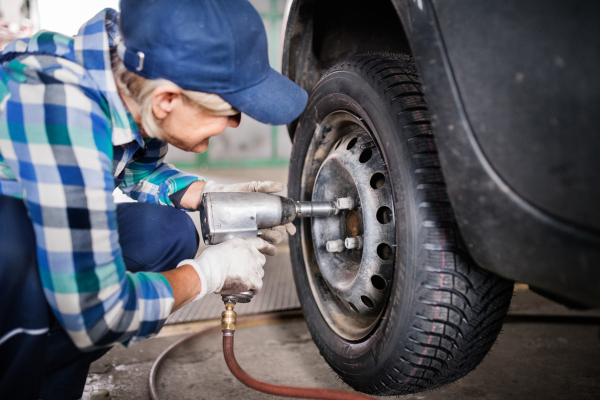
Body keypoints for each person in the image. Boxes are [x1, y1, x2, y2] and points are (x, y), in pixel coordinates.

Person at [0, 0, 308, 398]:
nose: (236, 123)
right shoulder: (60, 105)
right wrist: (206, 275)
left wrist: (210, 196)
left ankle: (47, 376)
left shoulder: (129, 73)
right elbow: (100, 313)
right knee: (14, 246)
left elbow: (135, 168)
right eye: (232, 110)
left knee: (165, 232)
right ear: (167, 100)